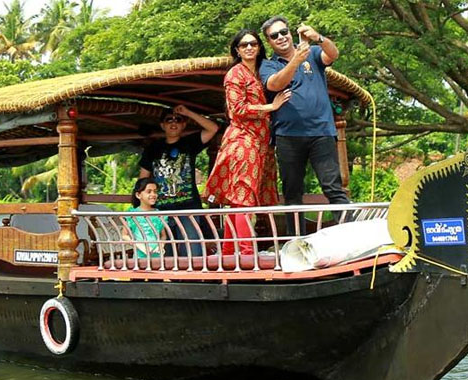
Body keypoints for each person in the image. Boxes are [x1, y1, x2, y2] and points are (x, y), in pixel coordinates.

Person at [259, 16, 350, 235]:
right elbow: (275, 84)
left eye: (284, 32)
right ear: (269, 42)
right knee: (292, 193)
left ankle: (351, 237)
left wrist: (318, 37)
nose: (281, 37)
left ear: (290, 33)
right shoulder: (268, 64)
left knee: (333, 188)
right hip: (288, 136)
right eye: (274, 36)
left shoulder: (312, 52)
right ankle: (295, 242)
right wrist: (296, 60)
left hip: (322, 132)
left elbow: (333, 54)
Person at [204, 29, 291, 255]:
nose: (249, 48)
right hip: (243, 140)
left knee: (239, 200)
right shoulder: (235, 73)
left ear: (260, 47)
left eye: (253, 44)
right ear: (237, 50)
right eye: (244, 45)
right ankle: (246, 253)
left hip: (261, 143)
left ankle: (228, 252)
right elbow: (237, 110)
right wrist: (271, 107)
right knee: (243, 199)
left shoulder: (264, 71)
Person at [139, 104, 218, 257]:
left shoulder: (189, 143)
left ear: (184, 125)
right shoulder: (153, 148)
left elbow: (213, 128)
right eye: (169, 120)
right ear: (162, 125)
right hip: (160, 209)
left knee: (193, 252)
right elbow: (143, 179)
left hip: (188, 208)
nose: (173, 123)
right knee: (164, 254)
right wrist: (143, 206)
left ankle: (193, 275)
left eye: (178, 120)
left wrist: (188, 112)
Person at [123, 177, 168, 258]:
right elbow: (124, 235)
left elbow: (163, 235)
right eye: (149, 192)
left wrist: (160, 246)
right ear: (138, 195)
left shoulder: (158, 214)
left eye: (155, 191)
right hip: (139, 257)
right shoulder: (132, 214)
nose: (153, 195)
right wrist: (139, 245)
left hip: (157, 256)